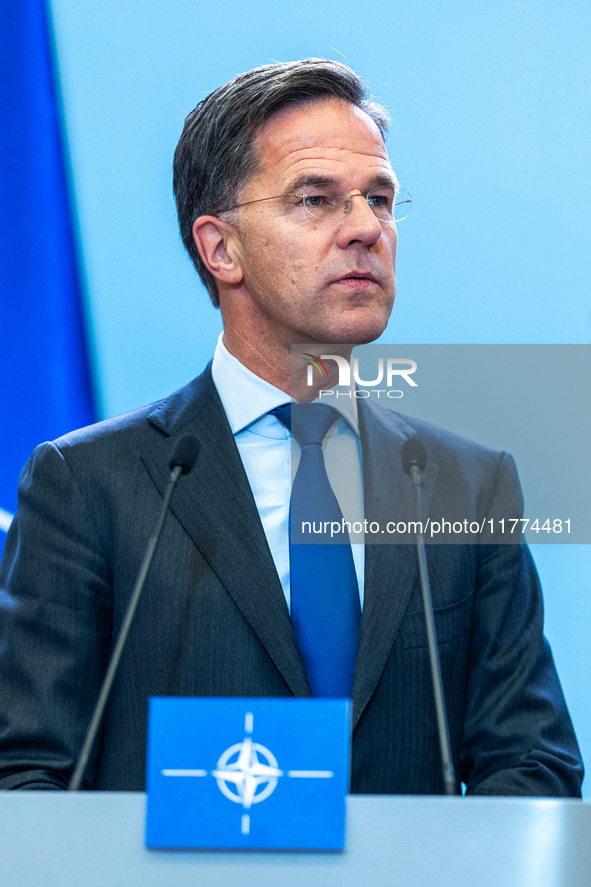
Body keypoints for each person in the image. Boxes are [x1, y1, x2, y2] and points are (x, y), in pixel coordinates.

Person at [0, 59, 583, 795]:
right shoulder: (88, 485)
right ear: (220, 248)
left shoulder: (465, 484)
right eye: (317, 199)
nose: (367, 229)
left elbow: (532, 764)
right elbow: (24, 773)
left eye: (380, 199)